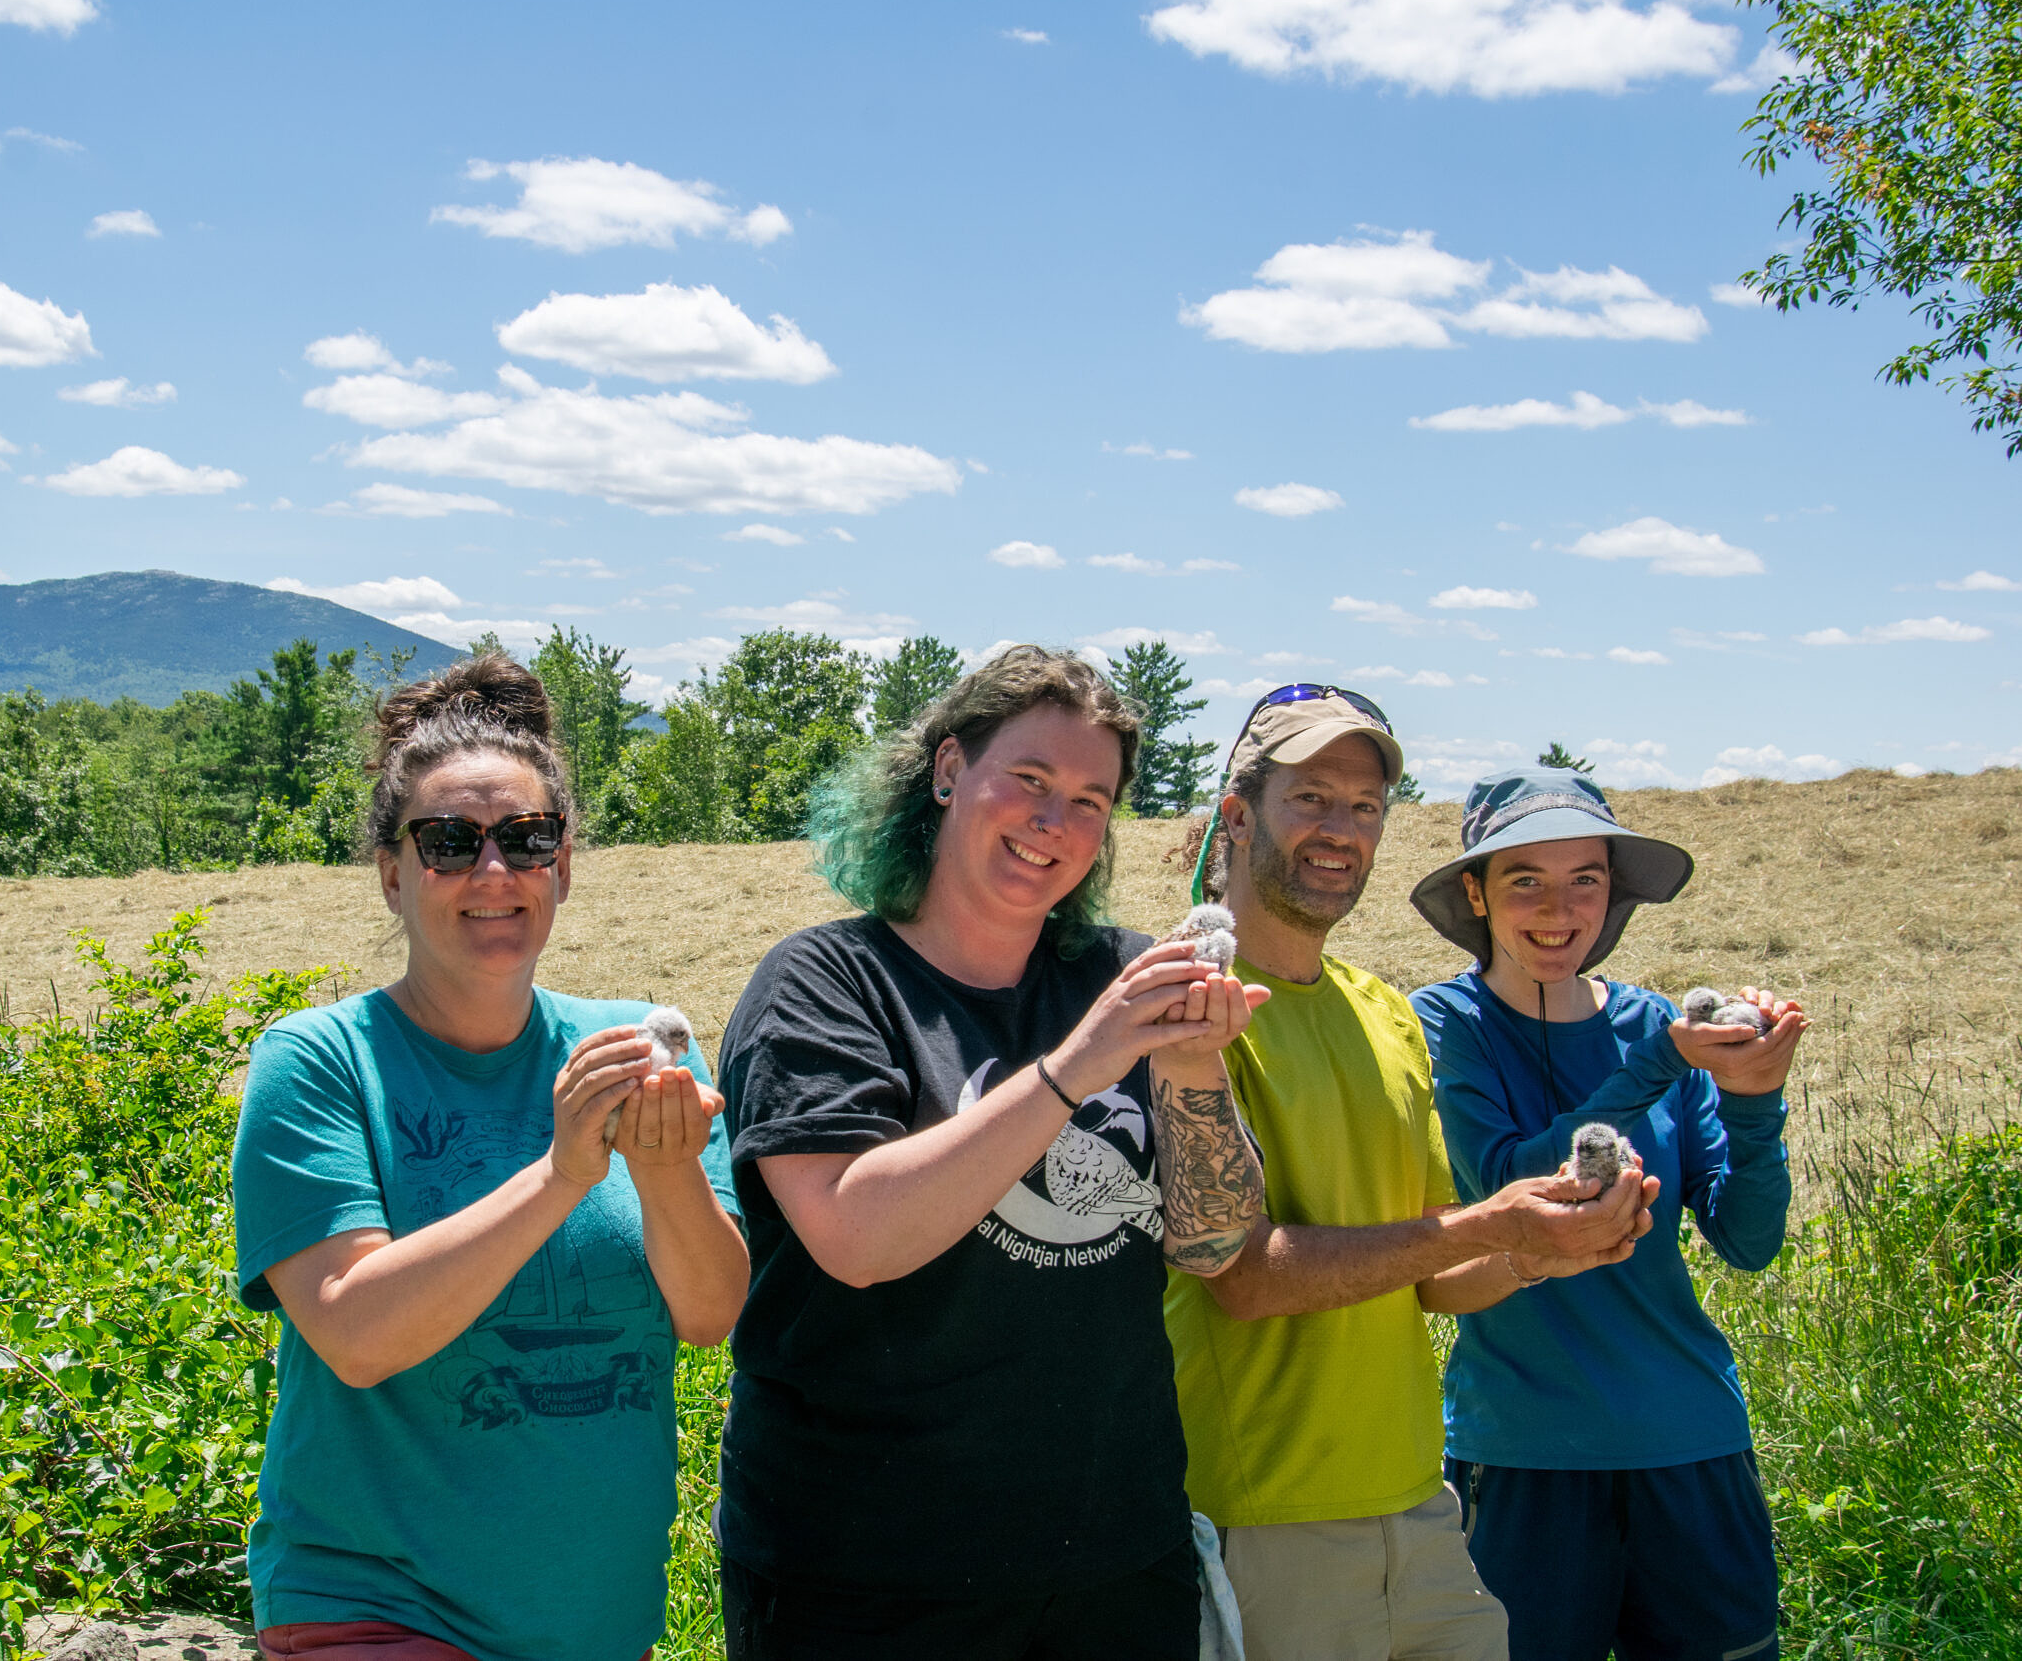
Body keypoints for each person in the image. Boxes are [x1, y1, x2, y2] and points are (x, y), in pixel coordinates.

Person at [713, 644, 1273, 1661]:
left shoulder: (1114, 973)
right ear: (944, 770)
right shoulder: (828, 983)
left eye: (1090, 799)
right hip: (865, 1575)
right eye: (1028, 779)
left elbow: (1215, 1243)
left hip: (1114, 1561)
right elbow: (854, 1233)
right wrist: (1078, 1065)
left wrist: (1192, 1069)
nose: (1054, 822)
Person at [229, 652, 750, 1661]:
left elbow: (709, 1312)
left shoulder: (635, 1047)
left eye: (525, 837)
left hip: (597, 1624)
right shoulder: (321, 1061)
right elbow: (356, 1330)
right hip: (381, 1604)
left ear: (562, 864)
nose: (493, 871)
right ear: (391, 871)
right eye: (449, 842)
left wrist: (665, 1165)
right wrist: (561, 1174)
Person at [1165, 686, 1666, 1661]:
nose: (1340, 830)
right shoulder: (1184, 1004)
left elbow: (1432, 1271)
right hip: (1264, 1520)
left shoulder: (1382, 1012)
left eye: (1364, 806)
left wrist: (1542, 1243)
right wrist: (1491, 1226)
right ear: (1236, 815)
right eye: (1310, 797)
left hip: (1418, 1504)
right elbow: (1245, 1275)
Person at [1407, 766, 1804, 1661]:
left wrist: (1754, 1097)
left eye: (1585, 877)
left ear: (1613, 891)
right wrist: (1662, 1062)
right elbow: (1510, 1176)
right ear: (1476, 892)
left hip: (1691, 1442)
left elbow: (1747, 1238)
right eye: (1525, 880)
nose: (1560, 907)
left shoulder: (1651, 1021)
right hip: (1523, 1454)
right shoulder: (1445, 1022)